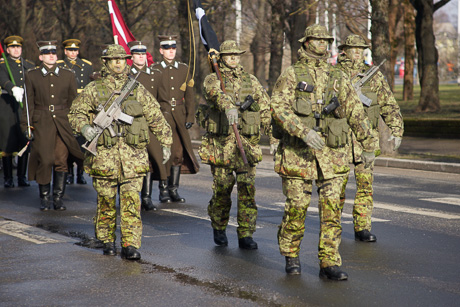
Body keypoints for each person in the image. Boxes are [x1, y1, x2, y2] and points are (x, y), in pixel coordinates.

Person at [270, 25, 375, 280]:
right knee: (296, 207)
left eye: (325, 39)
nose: (321, 43)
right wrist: (302, 131)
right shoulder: (292, 74)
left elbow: (355, 111)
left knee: (332, 211)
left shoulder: (338, 76)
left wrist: (368, 145)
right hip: (299, 155)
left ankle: (329, 262)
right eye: (316, 39)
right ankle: (291, 253)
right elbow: (278, 108)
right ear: (306, 42)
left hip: (333, 156)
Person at [69, 44, 172, 260]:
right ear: (105, 62)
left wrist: (166, 141)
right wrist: (84, 127)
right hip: (104, 157)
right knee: (106, 201)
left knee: (131, 201)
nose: (118, 63)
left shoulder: (136, 88)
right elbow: (75, 113)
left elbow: (154, 115)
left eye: (121, 59)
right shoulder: (94, 89)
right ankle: (107, 240)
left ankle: (130, 244)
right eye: (113, 60)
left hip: (133, 157)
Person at [199, 40, 271, 249]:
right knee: (222, 189)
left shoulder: (251, 80)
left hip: (246, 145)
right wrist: (228, 106)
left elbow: (265, 107)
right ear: (221, 57)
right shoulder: (214, 78)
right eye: (229, 55)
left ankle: (246, 233)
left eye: (236, 55)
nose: (233, 58)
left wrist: (273, 135)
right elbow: (214, 94)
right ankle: (219, 227)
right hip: (222, 146)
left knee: (247, 190)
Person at [336, 34, 404, 242]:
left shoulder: (373, 75)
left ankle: (362, 227)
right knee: (336, 186)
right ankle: (333, 224)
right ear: (344, 50)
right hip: (339, 140)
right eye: (353, 48)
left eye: (361, 48)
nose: (357, 52)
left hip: (366, 141)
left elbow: (388, 103)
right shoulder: (333, 74)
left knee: (365, 185)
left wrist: (396, 127)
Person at [20, 40, 84, 211]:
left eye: (54, 53)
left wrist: (76, 123)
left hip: (63, 122)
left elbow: (73, 102)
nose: (51, 56)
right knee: (46, 160)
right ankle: (44, 197)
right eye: (47, 53)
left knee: (61, 160)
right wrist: (26, 126)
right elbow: (28, 103)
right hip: (41, 123)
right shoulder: (32, 75)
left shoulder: (68, 75)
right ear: (41, 57)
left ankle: (58, 198)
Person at [151, 35, 199, 203]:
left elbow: (190, 96)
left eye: (173, 49)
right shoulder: (155, 69)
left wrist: (189, 116)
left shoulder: (184, 69)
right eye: (167, 49)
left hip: (179, 115)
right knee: (165, 154)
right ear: (161, 51)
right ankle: (163, 190)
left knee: (178, 153)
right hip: (163, 114)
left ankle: (173, 190)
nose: (171, 52)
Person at [127, 40, 164, 211]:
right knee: (132, 161)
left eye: (143, 54)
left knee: (149, 160)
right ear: (132, 56)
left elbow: (162, 100)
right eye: (137, 54)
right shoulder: (127, 75)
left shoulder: (155, 74)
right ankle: (131, 195)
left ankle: (147, 197)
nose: (141, 57)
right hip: (131, 124)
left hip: (150, 124)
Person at [57, 38, 93, 185]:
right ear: (65, 51)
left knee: (82, 141)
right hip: (67, 105)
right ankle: (70, 172)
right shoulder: (60, 66)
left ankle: (80, 173)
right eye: (70, 50)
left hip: (83, 106)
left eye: (75, 50)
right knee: (68, 139)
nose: (73, 53)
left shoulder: (86, 65)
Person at [0, 35, 35, 188]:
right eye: (13, 47)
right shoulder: (2, 65)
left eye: (18, 47)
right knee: (7, 140)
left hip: (23, 106)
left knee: (24, 139)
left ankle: (22, 176)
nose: (16, 50)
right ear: (7, 50)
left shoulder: (27, 65)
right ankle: (8, 177)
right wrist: (11, 87)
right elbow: (1, 78)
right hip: (7, 105)